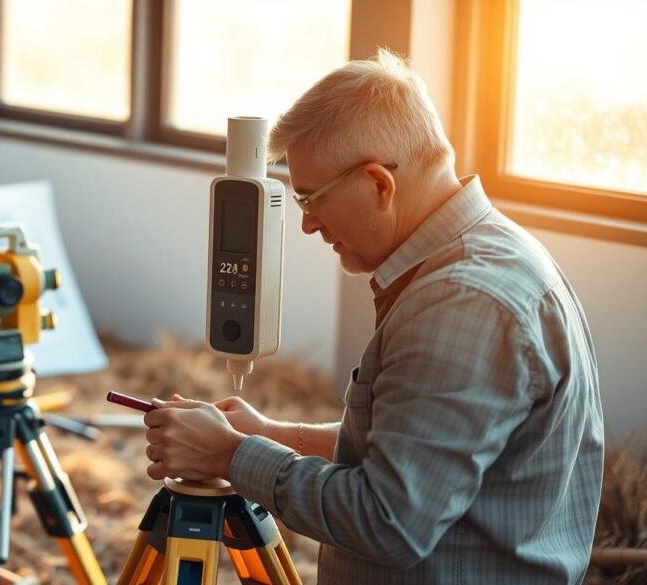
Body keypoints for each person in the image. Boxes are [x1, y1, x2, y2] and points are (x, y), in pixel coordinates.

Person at [143, 49, 604, 584]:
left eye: (310, 198)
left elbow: (389, 522)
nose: (309, 224)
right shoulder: (487, 255)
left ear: (379, 184)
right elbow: (414, 444)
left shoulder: (461, 305)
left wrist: (231, 455)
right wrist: (275, 434)